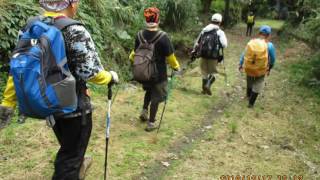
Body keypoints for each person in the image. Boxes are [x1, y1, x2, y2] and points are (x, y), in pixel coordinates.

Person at [0, 0, 119, 179]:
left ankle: (77, 164)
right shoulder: (75, 30)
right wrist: (111, 76)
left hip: (49, 103)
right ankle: (73, 168)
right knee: (69, 159)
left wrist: (8, 102)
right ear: (71, 4)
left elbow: (18, 69)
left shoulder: (30, 27)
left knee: (68, 149)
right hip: (74, 107)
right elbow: (90, 72)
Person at [129, 7, 180, 132]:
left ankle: (144, 110)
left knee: (149, 91)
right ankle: (151, 123)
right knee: (156, 97)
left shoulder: (139, 35)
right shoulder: (163, 37)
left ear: (146, 19)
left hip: (145, 72)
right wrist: (176, 67)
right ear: (158, 20)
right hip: (159, 74)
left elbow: (133, 55)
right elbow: (170, 57)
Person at [239, 25, 276, 108]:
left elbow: (244, 53)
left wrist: (240, 64)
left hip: (249, 67)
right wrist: (270, 68)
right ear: (269, 35)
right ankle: (251, 103)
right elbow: (273, 59)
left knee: (250, 80)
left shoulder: (251, 42)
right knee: (259, 82)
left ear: (259, 33)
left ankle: (248, 96)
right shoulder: (269, 45)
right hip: (261, 69)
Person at [191, 13, 228, 95]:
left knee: (204, 72)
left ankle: (204, 90)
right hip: (214, 56)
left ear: (211, 20)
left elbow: (198, 42)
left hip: (203, 54)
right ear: (220, 22)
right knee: (214, 73)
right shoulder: (220, 32)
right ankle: (208, 85)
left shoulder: (204, 30)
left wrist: (194, 51)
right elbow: (225, 44)